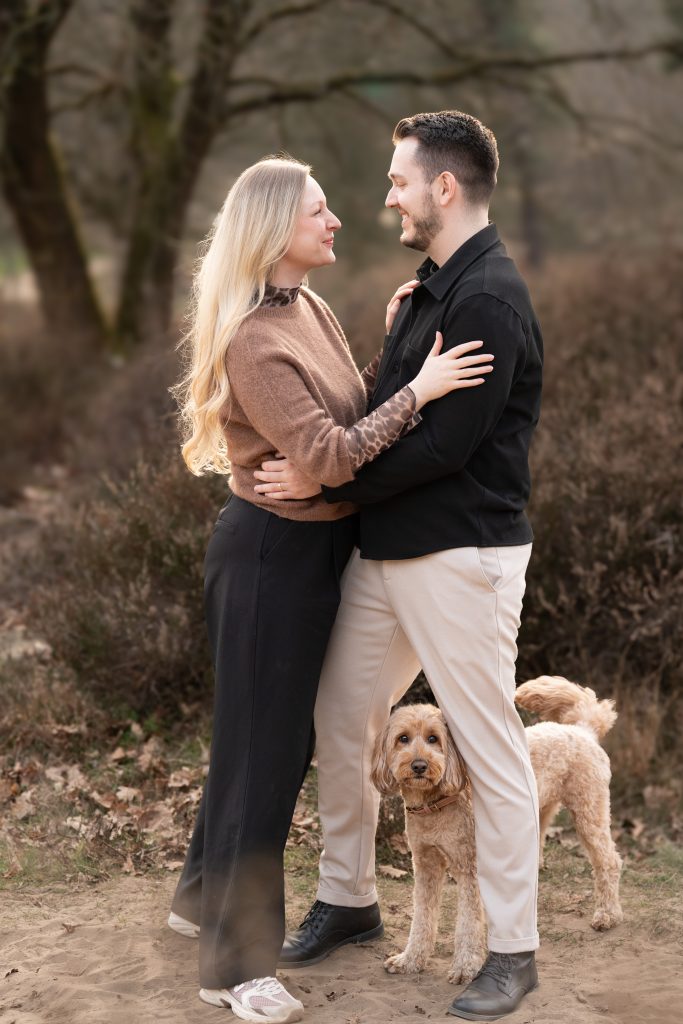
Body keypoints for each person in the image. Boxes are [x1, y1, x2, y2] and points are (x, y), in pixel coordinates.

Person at [169, 154, 494, 1023]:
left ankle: (199, 898)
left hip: (310, 552)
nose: (336, 218)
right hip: (270, 560)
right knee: (267, 759)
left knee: (254, 743)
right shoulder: (253, 337)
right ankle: (234, 970)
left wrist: (392, 352)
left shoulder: (305, 307)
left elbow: (342, 424)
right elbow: (334, 453)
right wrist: (419, 391)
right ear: (277, 229)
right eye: (318, 209)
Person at [254, 111, 544, 1021]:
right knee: (343, 719)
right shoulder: (428, 291)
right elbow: (391, 408)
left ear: (442, 188)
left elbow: (445, 447)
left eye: (398, 182)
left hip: (460, 554)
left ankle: (511, 951)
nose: (387, 198)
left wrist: (324, 472)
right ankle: (348, 898)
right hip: (383, 555)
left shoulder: (488, 297)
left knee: (489, 746)